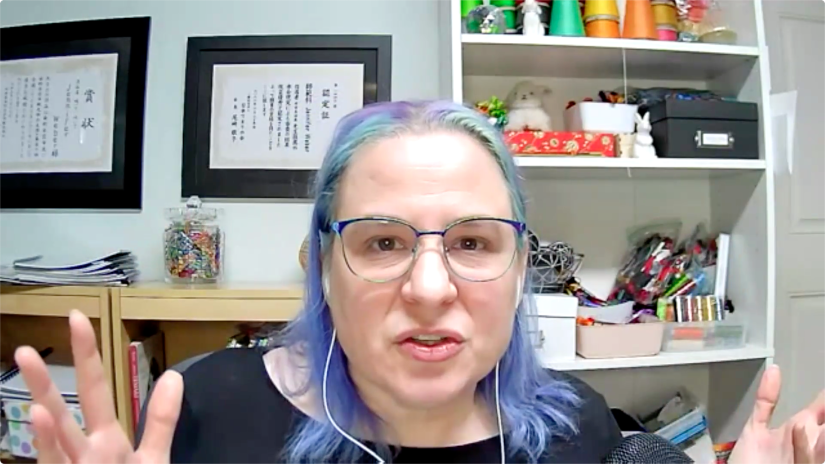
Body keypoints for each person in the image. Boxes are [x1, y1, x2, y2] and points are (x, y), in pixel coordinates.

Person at [14, 101, 825, 464]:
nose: (431, 288)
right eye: (381, 242)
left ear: (515, 272)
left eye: (473, 241)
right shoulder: (198, 416)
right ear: (323, 268)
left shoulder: (577, 428)